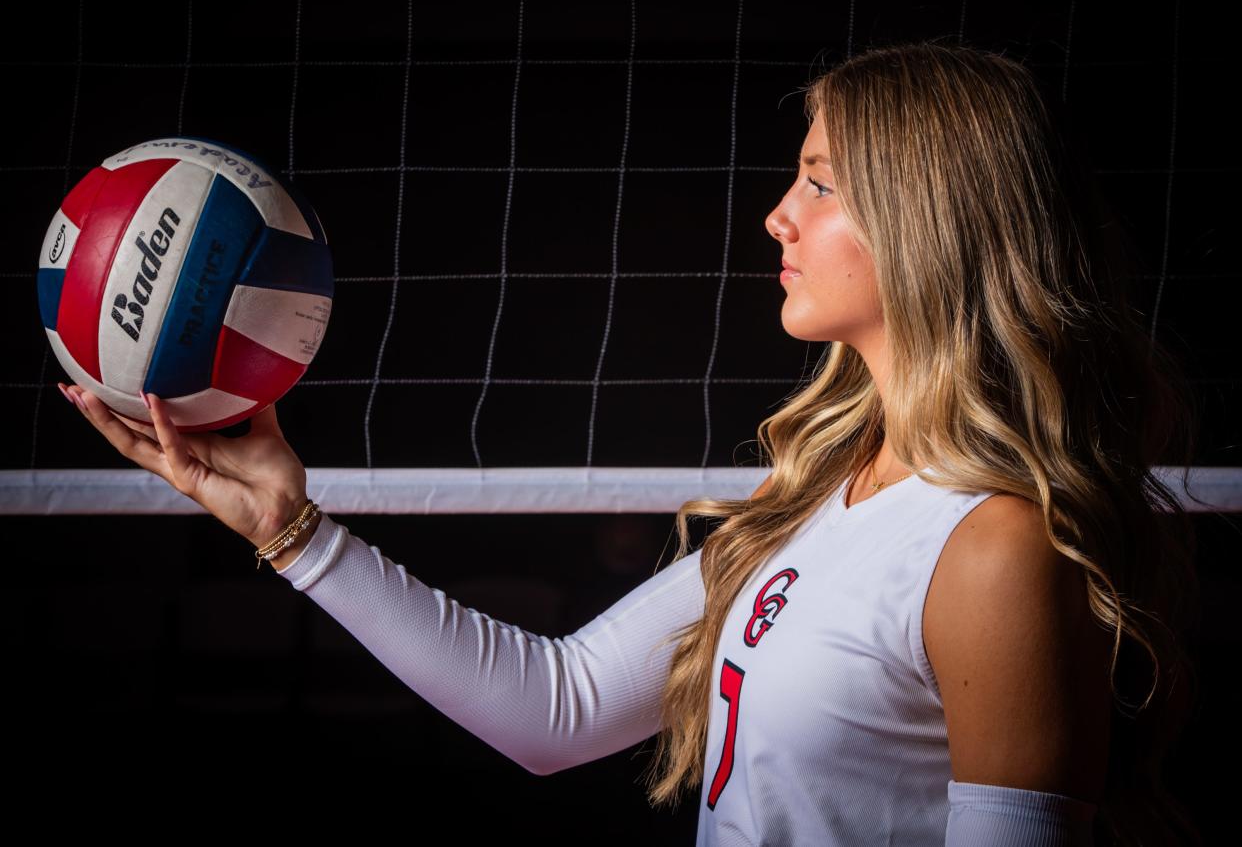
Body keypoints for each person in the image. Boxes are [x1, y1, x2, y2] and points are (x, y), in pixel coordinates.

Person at [59, 41, 1202, 846]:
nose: (778, 215)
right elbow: (552, 709)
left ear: (925, 222)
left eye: (819, 182)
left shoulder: (995, 548)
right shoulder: (823, 497)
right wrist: (285, 526)